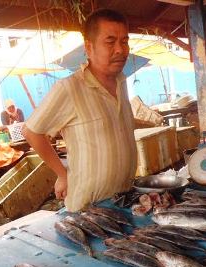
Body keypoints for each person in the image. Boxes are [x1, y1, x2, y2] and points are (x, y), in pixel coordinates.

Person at [22, 9, 137, 212]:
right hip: (88, 210)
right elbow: (32, 131)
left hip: (123, 202)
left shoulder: (121, 82)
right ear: (89, 48)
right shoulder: (69, 88)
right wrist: (62, 174)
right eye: (110, 42)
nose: (120, 49)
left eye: (124, 41)